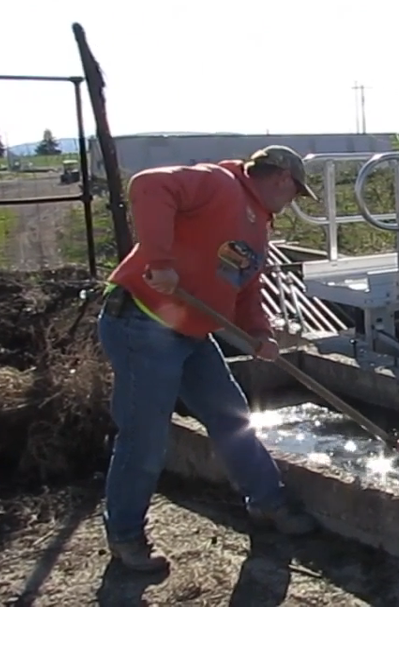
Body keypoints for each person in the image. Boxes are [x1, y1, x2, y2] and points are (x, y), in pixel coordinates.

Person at [96, 145, 320, 572]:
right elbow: (149, 185)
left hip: (190, 330)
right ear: (281, 180)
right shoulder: (219, 184)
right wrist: (159, 261)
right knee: (145, 436)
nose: (292, 202)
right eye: (295, 193)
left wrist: (259, 333)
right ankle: (126, 536)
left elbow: (245, 287)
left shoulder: (257, 226)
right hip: (142, 321)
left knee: (232, 415)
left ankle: (267, 501)